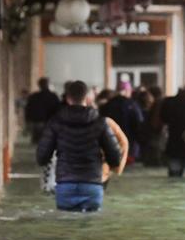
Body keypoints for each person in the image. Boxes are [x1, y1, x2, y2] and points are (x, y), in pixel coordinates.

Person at [36, 80, 122, 212]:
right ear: (87, 98)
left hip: (65, 185)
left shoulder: (55, 122)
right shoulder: (100, 123)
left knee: (67, 227)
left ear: (68, 98)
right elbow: (115, 157)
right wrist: (105, 165)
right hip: (92, 184)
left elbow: (42, 157)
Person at [99, 80, 144, 163]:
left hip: (111, 143)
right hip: (130, 145)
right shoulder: (133, 104)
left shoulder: (108, 105)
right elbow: (139, 123)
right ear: (127, 91)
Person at [24, 78, 62, 143]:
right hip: (49, 123)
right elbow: (58, 110)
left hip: (38, 122)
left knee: (38, 142)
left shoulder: (34, 96)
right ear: (48, 85)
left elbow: (28, 109)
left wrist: (28, 121)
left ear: (39, 85)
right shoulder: (53, 96)